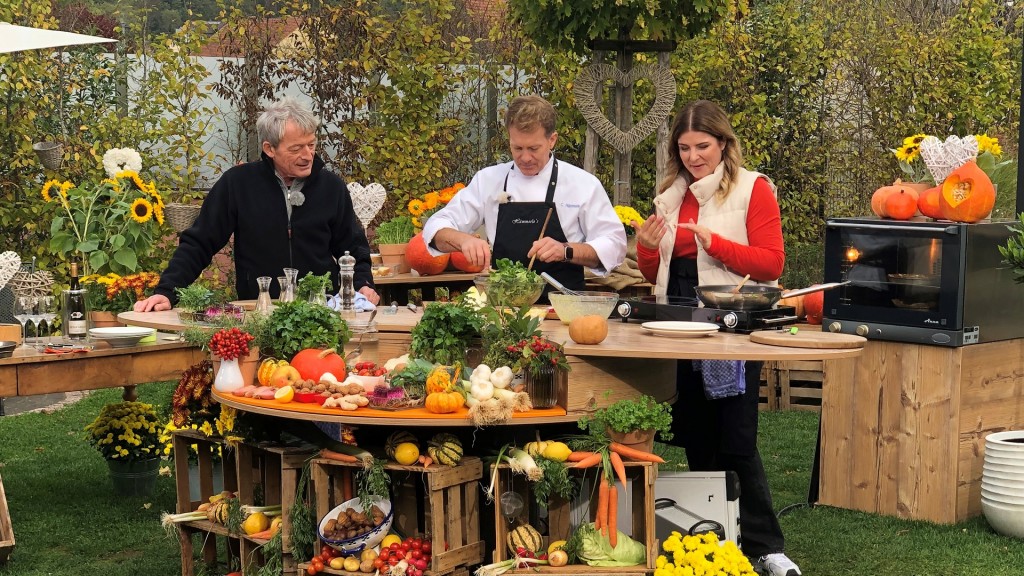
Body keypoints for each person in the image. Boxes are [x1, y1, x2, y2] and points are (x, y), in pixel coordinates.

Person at [634, 100, 798, 576]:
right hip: (678, 313)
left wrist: (716, 244)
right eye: (684, 148)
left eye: (702, 146)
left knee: (735, 433)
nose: (693, 156)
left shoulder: (753, 189)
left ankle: (767, 545)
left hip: (732, 317)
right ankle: (715, 534)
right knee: (695, 430)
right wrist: (646, 248)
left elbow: (771, 264)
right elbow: (657, 271)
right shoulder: (670, 192)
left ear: (724, 144)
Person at [135, 96, 379, 312]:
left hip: (321, 310)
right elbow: (199, 243)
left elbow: (353, 248)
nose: (307, 155)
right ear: (269, 149)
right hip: (258, 310)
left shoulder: (332, 187)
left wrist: (363, 284)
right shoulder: (238, 184)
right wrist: (166, 291)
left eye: (311, 145)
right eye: (296, 148)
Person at [422, 95, 626, 295]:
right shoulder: (489, 180)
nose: (525, 157)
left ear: (552, 140)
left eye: (533, 148)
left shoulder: (582, 184)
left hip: (564, 311)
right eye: (517, 148)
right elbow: (435, 227)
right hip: (504, 310)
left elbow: (614, 245)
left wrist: (566, 250)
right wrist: (462, 240)